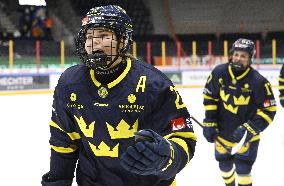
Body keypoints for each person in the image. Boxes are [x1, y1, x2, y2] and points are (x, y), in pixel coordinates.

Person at [41, 5, 196, 186]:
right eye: (89, 37)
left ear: (123, 40)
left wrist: (167, 156)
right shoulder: (70, 83)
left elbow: (184, 137)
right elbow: (63, 141)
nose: (94, 43)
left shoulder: (154, 84)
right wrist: (57, 181)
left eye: (104, 36)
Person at [202, 38, 277, 186]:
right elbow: (210, 96)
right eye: (236, 54)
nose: (238, 58)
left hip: (247, 138)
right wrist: (209, 121)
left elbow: (269, 109)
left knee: (243, 169)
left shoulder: (259, 81)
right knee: (224, 166)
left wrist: (249, 129)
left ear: (250, 59)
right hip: (222, 133)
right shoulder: (219, 72)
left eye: (243, 56)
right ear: (231, 55)